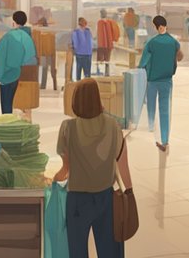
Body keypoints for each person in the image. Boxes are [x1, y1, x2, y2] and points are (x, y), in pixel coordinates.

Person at [53, 78, 133, 258]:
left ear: (76, 101)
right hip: (106, 197)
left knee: (77, 251)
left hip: (77, 200)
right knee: (110, 251)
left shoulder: (68, 128)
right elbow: (122, 164)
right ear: (97, 99)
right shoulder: (113, 126)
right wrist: (129, 193)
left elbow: (65, 170)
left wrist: (53, 178)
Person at [139, 15, 182, 152]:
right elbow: (178, 57)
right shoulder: (174, 42)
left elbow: (143, 62)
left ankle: (151, 125)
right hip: (167, 80)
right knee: (165, 110)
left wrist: (140, 68)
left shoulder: (152, 43)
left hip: (153, 80)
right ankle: (165, 140)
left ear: (157, 26)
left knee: (151, 102)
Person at [0, 11, 34, 114]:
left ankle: (7, 125)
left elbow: (0, 58)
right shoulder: (28, 37)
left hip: (6, 76)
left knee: (6, 105)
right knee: (13, 102)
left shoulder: (8, 37)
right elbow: (30, 56)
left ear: (13, 22)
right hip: (18, 73)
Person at [35, 17, 58, 91]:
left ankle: (44, 85)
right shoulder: (49, 32)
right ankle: (45, 85)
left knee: (46, 69)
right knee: (47, 70)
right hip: (48, 53)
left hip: (45, 53)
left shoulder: (43, 32)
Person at [70, 18, 93, 82]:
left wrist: (74, 49)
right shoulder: (88, 31)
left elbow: (75, 44)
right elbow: (91, 42)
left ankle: (79, 84)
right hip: (88, 54)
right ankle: (87, 85)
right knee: (87, 72)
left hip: (80, 54)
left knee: (79, 71)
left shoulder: (76, 32)